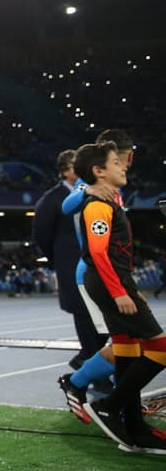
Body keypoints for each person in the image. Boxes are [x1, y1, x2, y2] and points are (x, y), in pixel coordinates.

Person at [70, 140, 166, 454]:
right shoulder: (97, 205)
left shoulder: (110, 201)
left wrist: (128, 285)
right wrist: (119, 291)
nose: (123, 166)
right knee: (161, 348)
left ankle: (135, 427)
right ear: (98, 171)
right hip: (108, 282)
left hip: (115, 280)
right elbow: (99, 253)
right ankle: (109, 406)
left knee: (127, 349)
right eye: (115, 162)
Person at [32, 149, 105, 376]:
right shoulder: (52, 199)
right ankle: (90, 365)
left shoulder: (91, 192)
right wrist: (58, 259)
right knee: (83, 314)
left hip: (95, 263)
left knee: (100, 316)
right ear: (64, 171)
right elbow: (41, 234)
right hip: (70, 264)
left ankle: (87, 360)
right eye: (76, 166)